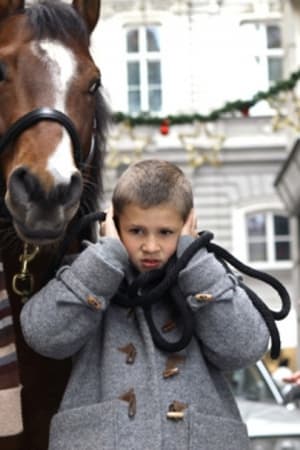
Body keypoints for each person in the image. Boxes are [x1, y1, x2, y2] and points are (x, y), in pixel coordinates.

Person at [20, 159, 270, 450]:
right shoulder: (89, 274)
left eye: (165, 232)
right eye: (136, 231)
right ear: (113, 224)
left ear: (188, 225)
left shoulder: (206, 276)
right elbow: (42, 336)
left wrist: (197, 263)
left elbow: (246, 348)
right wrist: (105, 261)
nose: (151, 246)